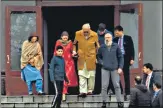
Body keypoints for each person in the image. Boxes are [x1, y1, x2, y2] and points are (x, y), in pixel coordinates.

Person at [97, 33, 124, 108]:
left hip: (114, 69)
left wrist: (120, 67)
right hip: (105, 69)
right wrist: (101, 62)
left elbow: (121, 57)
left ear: (111, 38)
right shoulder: (102, 47)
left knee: (117, 85)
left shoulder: (116, 46)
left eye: (108, 37)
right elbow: (98, 56)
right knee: (104, 86)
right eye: (106, 37)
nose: (107, 38)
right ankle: (104, 102)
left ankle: (119, 102)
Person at [73, 23, 100, 97]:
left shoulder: (94, 34)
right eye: (84, 31)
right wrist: (74, 51)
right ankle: (82, 91)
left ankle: (90, 90)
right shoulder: (78, 33)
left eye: (86, 31)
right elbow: (74, 44)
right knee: (81, 74)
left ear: (89, 29)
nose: (85, 33)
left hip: (91, 58)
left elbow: (98, 46)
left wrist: (97, 56)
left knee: (91, 75)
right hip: (81, 57)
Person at [54, 31, 78, 101]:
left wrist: (74, 52)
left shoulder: (70, 42)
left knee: (68, 77)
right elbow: (55, 52)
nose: (65, 39)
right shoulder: (58, 42)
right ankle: (63, 92)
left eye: (66, 37)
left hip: (69, 62)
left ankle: (65, 91)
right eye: (64, 37)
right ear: (61, 37)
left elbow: (72, 50)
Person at [114, 25, 135, 100]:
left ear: (121, 31)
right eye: (115, 33)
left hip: (126, 59)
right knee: (116, 76)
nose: (116, 34)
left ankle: (127, 92)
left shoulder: (128, 38)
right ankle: (120, 91)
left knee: (126, 76)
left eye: (117, 33)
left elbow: (132, 48)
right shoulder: (115, 40)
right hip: (118, 59)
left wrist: (132, 58)